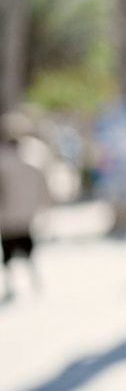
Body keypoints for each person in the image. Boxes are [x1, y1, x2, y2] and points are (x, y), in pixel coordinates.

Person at [0, 119, 51, 300]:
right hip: (25, 215)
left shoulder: (5, 162)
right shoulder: (31, 159)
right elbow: (43, 187)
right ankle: (33, 281)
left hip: (6, 217)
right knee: (27, 249)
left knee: (9, 253)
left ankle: (12, 285)